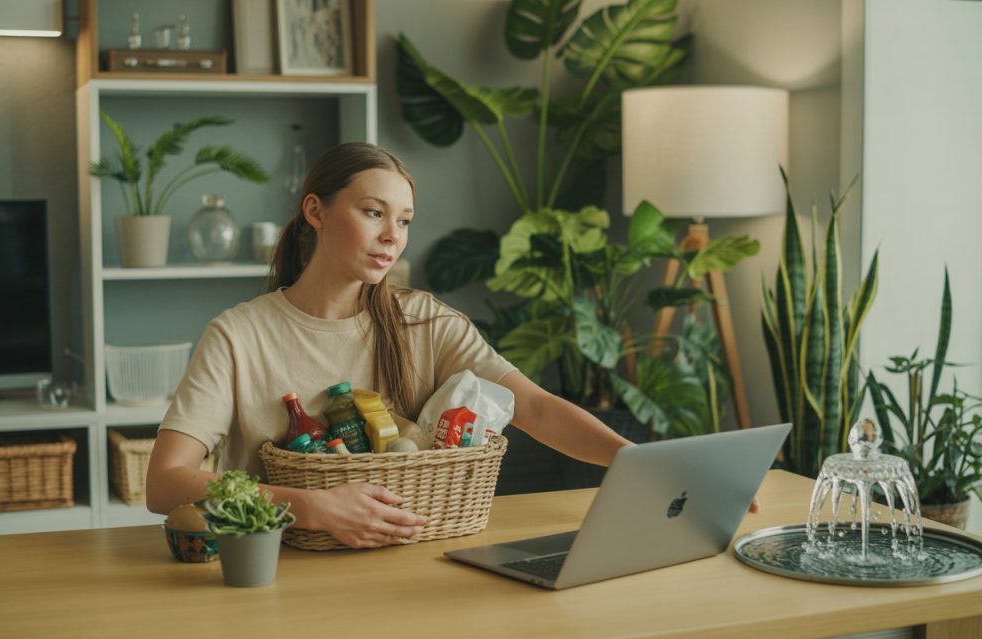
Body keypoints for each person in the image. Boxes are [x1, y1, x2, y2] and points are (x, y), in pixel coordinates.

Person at [146, 142, 756, 549]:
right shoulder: (238, 335)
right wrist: (310, 506)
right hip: (284, 571)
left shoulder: (423, 321)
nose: (393, 237)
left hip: (422, 560)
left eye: (405, 220)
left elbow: (536, 409)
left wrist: (654, 467)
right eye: (373, 212)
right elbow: (166, 483)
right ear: (316, 211)